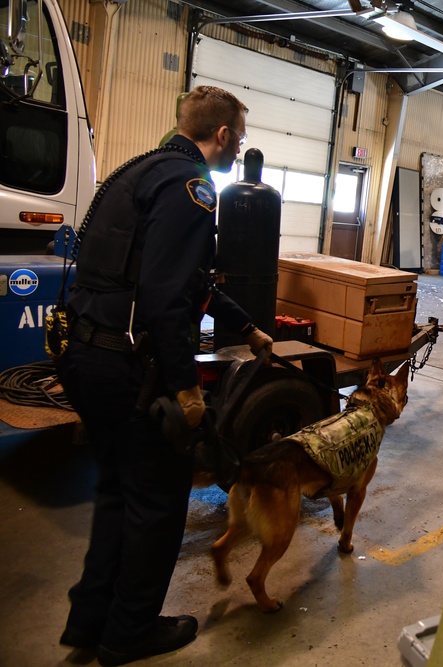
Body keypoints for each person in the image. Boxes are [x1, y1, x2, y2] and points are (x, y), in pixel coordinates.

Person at [57, 86, 273, 665]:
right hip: (130, 366)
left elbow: (174, 278)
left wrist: (245, 327)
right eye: (241, 138)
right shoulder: (194, 188)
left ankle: (91, 620)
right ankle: (130, 631)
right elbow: (166, 294)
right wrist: (183, 385)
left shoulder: (143, 171)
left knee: (117, 493)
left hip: (86, 354)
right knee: (156, 500)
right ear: (223, 135)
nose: (239, 148)